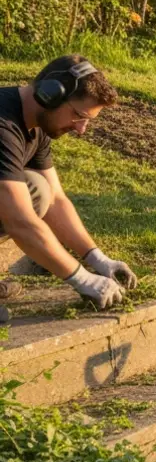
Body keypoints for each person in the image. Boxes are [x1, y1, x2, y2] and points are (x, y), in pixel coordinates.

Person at [0, 55, 138, 318]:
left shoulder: (34, 126)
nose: (81, 129)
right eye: (78, 115)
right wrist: (81, 279)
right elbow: (19, 221)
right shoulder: (2, 125)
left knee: (37, 190)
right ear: (49, 94)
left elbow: (56, 201)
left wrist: (97, 259)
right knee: (16, 200)